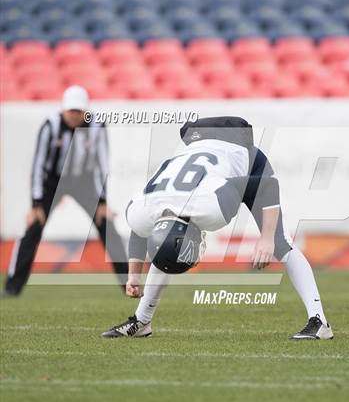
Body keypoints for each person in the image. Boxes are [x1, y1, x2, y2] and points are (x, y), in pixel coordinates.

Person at [102, 116, 333, 341]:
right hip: (196, 147)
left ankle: (319, 321)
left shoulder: (211, 205)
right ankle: (142, 321)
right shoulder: (143, 209)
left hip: (240, 150)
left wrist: (266, 238)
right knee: (166, 246)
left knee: (281, 243)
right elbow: (142, 228)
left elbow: (267, 185)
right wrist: (133, 275)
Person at [4, 85, 128, 295]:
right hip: (53, 181)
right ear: (63, 109)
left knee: (106, 225)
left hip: (85, 180)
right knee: (32, 228)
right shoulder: (50, 126)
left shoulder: (97, 126)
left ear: (85, 111)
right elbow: (38, 165)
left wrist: (103, 202)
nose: (74, 115)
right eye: (71, 110)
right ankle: (12, 286)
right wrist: (35, 203)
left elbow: (102, 165)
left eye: (78, 111)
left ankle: (128, 283)